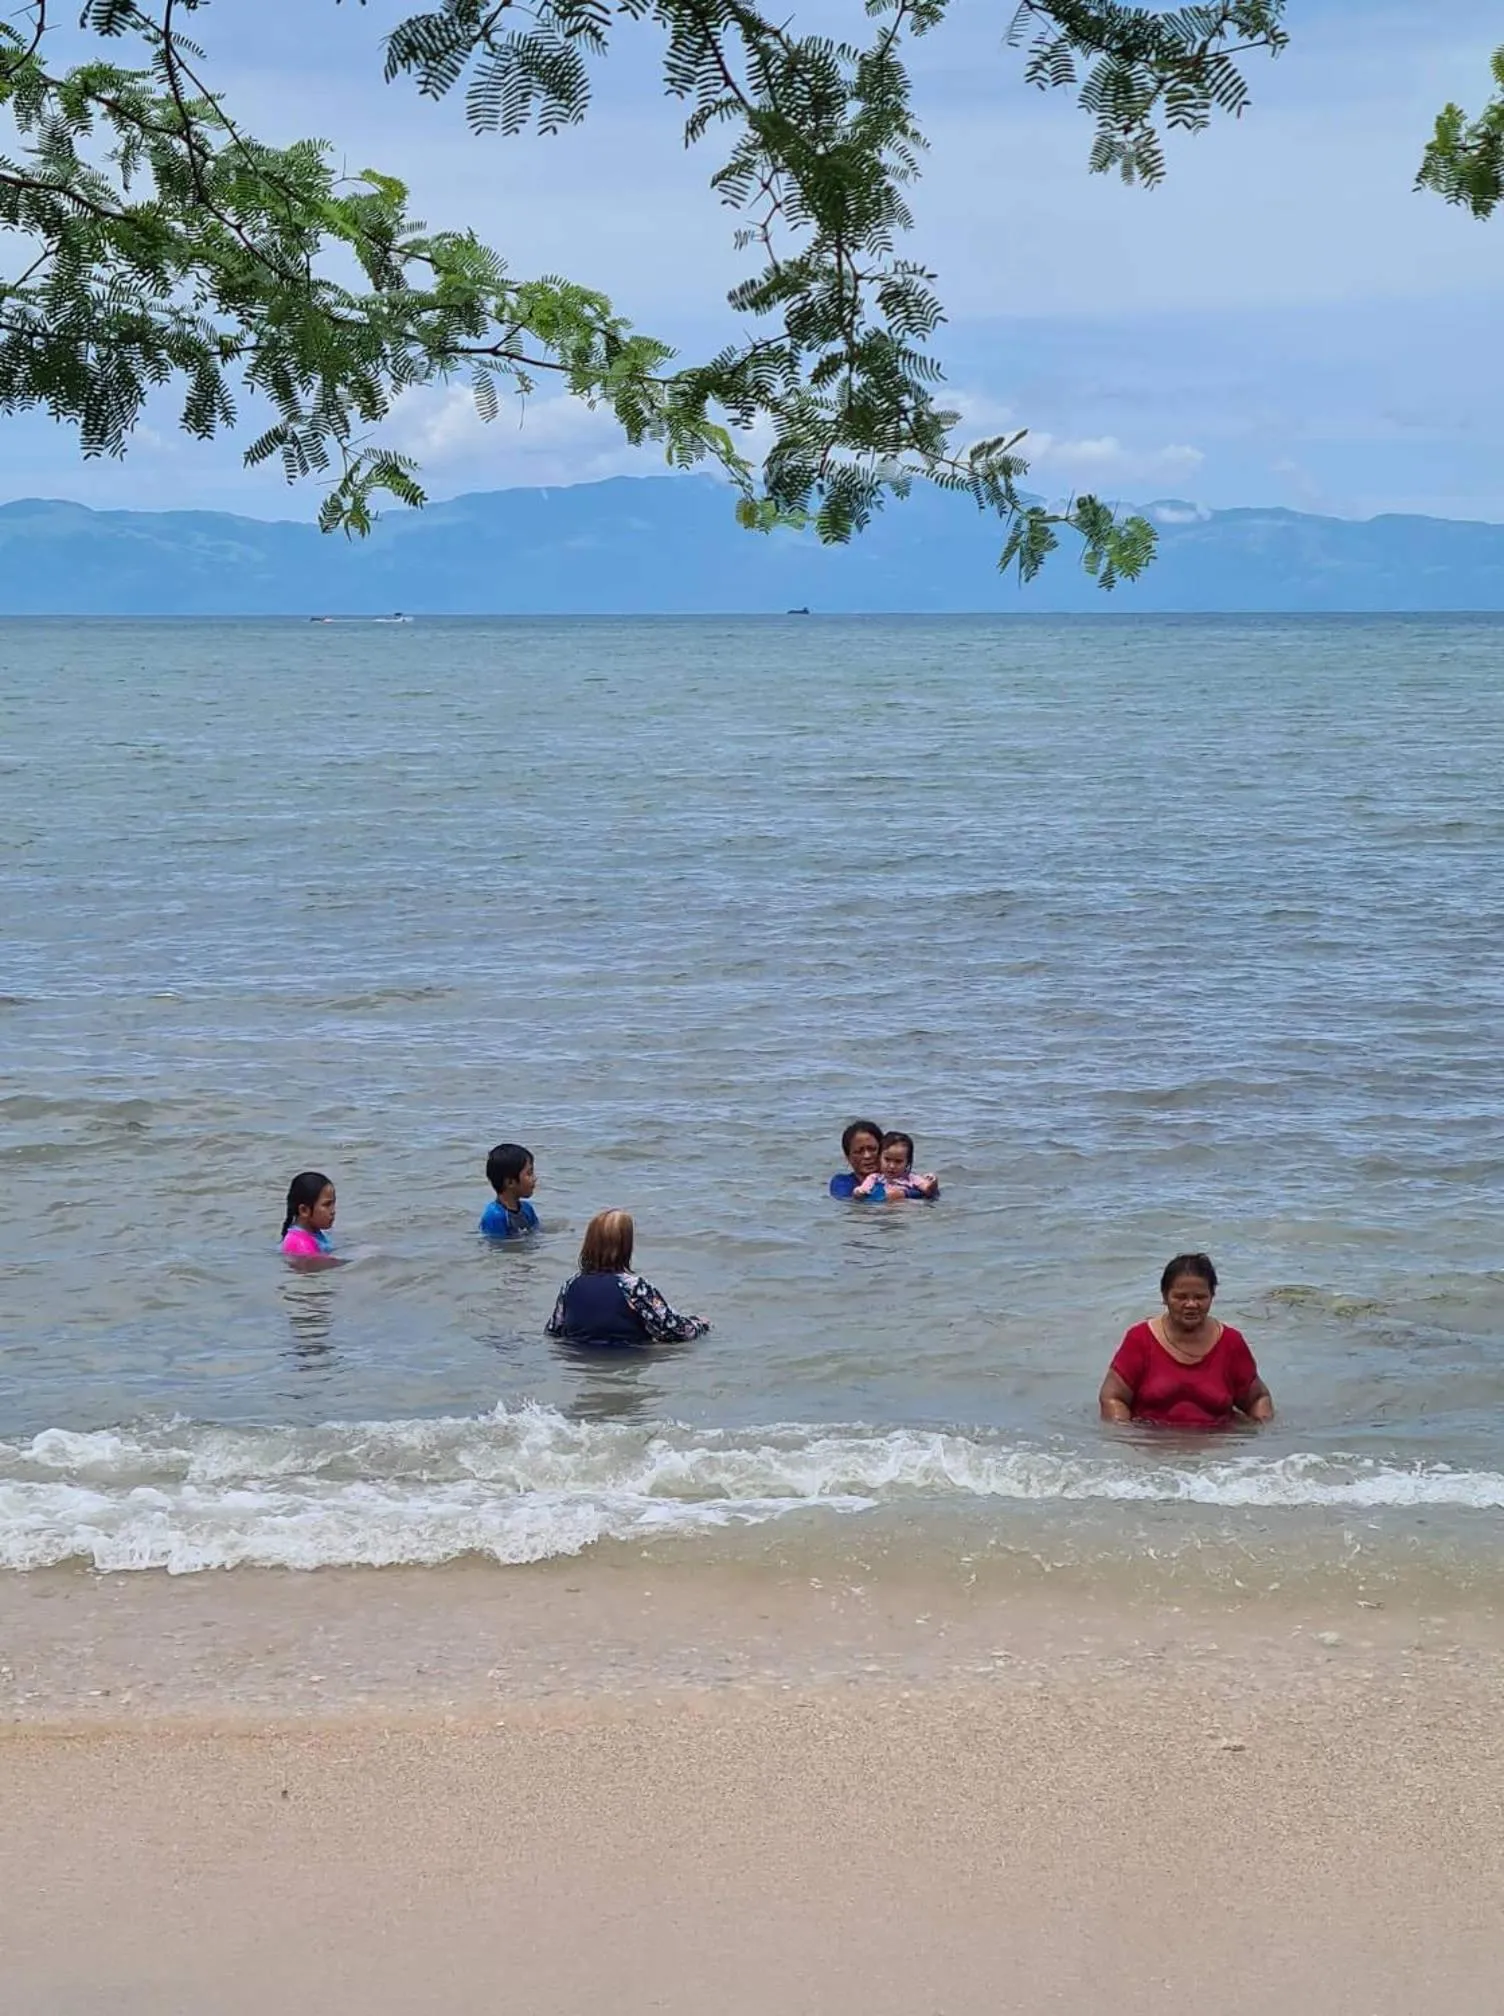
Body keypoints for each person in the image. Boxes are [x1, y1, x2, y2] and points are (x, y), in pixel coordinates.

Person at [1099, 1253, 1273, 1428]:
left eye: (1200, 1297)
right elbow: (1113, 1398)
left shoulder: (1231, 1342)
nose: (1191, 1304)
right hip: (1151, 1442)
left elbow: (1258, 1399)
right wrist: (1126, 1437)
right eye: (1181, 1297)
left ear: (1212, 1296)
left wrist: (1263, 1436)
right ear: (1164, 1296)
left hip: (1217, 1443)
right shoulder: (1140, 1339)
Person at [546, 1209, 709, 1346]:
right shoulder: (634, 1287)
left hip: (579, 1363)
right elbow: (675, 1331)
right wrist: (700, 1324)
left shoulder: (570, 1285)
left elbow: (553, 1330)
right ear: (625, 1247)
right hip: (625, 1359)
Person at [853, 1131, 940, 1203]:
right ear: (879, 1157)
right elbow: (862, 1191)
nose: (892, 1166)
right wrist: (858, 1192)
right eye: (887, 1159)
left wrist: (933, 1182)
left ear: (907, 1162)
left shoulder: (912, 1178)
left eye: (898, 1161)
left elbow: (928, 1190)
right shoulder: (874, 1178)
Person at [480, 1142, 540, 1239]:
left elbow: (537, 1234)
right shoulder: (494, 1216)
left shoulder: (527, 1209)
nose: (534, 1178)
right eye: (529, 1173)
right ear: (510, 1182)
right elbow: (496, 1246)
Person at [280, 1171, 340, 1264]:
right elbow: (323, 1265)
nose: (333, 1211)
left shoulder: (314, 1233)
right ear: (304, 1210)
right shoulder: (299, 1244)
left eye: (333, 1203)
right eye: (327, 1205)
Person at [829, 1119, 883, 1198]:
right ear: (848, 1157)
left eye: (872, 1149)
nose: (867, 1156)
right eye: (858, 1151)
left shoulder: (899, 1180)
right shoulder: (842, 1183)